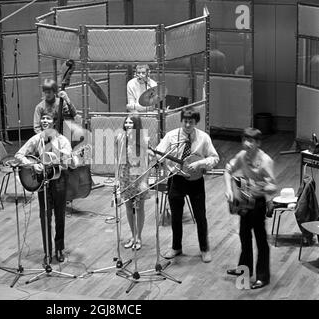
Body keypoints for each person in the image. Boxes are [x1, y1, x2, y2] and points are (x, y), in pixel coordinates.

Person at [153, 107, 219, 263]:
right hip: (176, 179)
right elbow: (158, 153)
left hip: (196, 181)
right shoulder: (171, 136)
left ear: (196, 122)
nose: (187, 125)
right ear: (181, 121)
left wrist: (200, 163)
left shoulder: (203, 138)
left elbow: (214, 158)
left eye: (191, 122)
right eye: (185, 121)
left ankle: (204, 249)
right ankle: (176, 247)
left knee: (200, 216)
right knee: (176, 216)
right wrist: (157, 157)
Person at [15, 112, 74, 264]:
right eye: (43, 119)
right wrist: (32, 164)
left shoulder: (62, 140)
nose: (45, 121)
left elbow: (69, 161)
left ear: (54, 122)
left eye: (48, 118)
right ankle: (47, 252)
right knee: (45, 216)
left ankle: (59, 248)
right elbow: (19, 155)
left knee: (60, 216)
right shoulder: (37, 139)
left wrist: (57, 151)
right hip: (43, 182)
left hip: (59, 179)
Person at [224, 127, 277, 289]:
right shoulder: (242, 156)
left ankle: (263, 276)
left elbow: (273, 186)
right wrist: (229, 189)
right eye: (245, 140)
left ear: (258, 143)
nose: (247, 144)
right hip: (245, 202)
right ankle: (244, 271)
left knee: (261, 240)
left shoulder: (265, 161)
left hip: (259, 204)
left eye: (251, 141)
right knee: (244, 237)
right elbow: (227, 171)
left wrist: (259, 189)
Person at [115, 114, 151, 250]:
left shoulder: (144, 140)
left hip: (138, 176)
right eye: (126, 122)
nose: (128, 125)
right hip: (125, 176)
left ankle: (139, 237)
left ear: (137, 125)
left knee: (139, 207)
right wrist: (117, 179)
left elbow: (147, 162)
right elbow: (117, 160)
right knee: (129, 207)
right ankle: (133, 235)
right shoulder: (120, 138)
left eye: (131, 123)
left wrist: (144, 181)